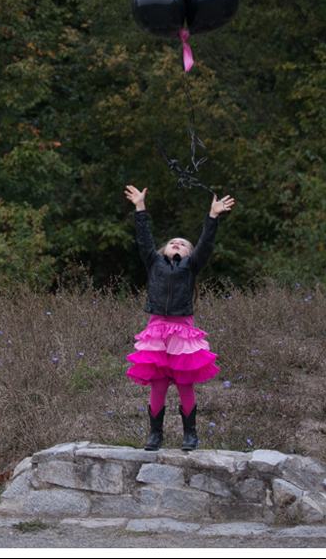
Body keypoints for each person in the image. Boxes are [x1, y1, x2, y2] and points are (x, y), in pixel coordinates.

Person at [123, 185, 234, 451]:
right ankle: (155, 435)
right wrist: (140, 206)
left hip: (182, 329)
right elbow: (144, 238)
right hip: (156, 330)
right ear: (163, 250)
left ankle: (190, 435)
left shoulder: (191, 265)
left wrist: (213, 216)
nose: (177, 243)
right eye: (173, 241)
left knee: (185, 382)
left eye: (183, 244)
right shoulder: (154, 262)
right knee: (158, 383)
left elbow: (206, 243)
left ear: (188, 254)